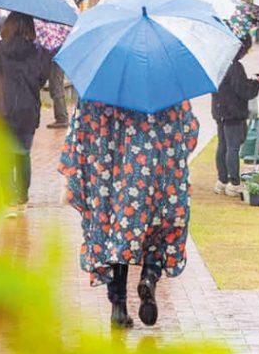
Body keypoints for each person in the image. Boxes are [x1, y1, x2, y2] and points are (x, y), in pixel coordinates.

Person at [59, 99, 200, 329]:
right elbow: (189, 131)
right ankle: (150, 276)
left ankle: (118, 308)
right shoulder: (166, 87)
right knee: (158, 228)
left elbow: (78, 136)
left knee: (116, 239)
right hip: (153, 174)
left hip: (109, 180)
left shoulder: (97, 89)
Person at [0, 12, 51, 216]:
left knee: (4, 157)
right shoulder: (39, 52)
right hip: (27, 111)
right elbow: (42, 79)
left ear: (7, 26)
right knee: (23, 155)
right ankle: (22, 198)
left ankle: (9, 202)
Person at [211, 35, 259, 196]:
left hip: (220, 110)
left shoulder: (219, 63)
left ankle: (222, 180)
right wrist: (256, 83)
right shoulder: (235, 67)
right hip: (233, 112)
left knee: (222, 146)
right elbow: (244, 91)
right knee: (233, 148)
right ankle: (234, 183)